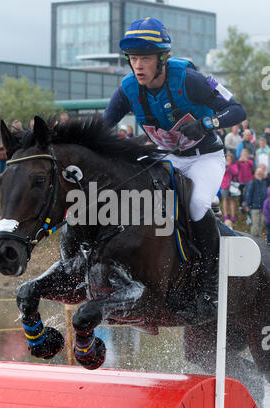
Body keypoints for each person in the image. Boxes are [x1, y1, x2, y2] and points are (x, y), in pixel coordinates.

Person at [103, 17, 246, 324]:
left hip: (203, 157)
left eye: (145, 58)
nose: (138, 65)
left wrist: (208, 123)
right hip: (164, 156)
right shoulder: (128, 89)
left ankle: (210, 286)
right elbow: (102, 127)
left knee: (194, 205)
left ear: (162, 58)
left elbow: (237, 110)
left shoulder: (190, 79)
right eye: (134, 58)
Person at [245, 167, 268, 238]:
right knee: (255, 225)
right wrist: (248, 205)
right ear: (255, 174)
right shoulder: (253, 182)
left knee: (262, 223)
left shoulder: (265, 182)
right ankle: (254, 239)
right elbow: (249, 194)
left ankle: (258, 238)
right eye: (258, 172)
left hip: (263, 207)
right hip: (254, 207)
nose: (259, 174)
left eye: (261, 172)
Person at [221, 152, 239, 223]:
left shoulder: (234, 165)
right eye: (227, 159)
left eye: (229, 159)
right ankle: (225, 215)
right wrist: (225, 166)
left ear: (232, 159)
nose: (228, 160)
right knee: (225, 199)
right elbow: (222, 173)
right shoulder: (223, 165)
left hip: (232, 185)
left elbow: (236, 172)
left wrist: (229, 166)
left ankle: (233, 215)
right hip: (225, 185)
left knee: (232, 200)